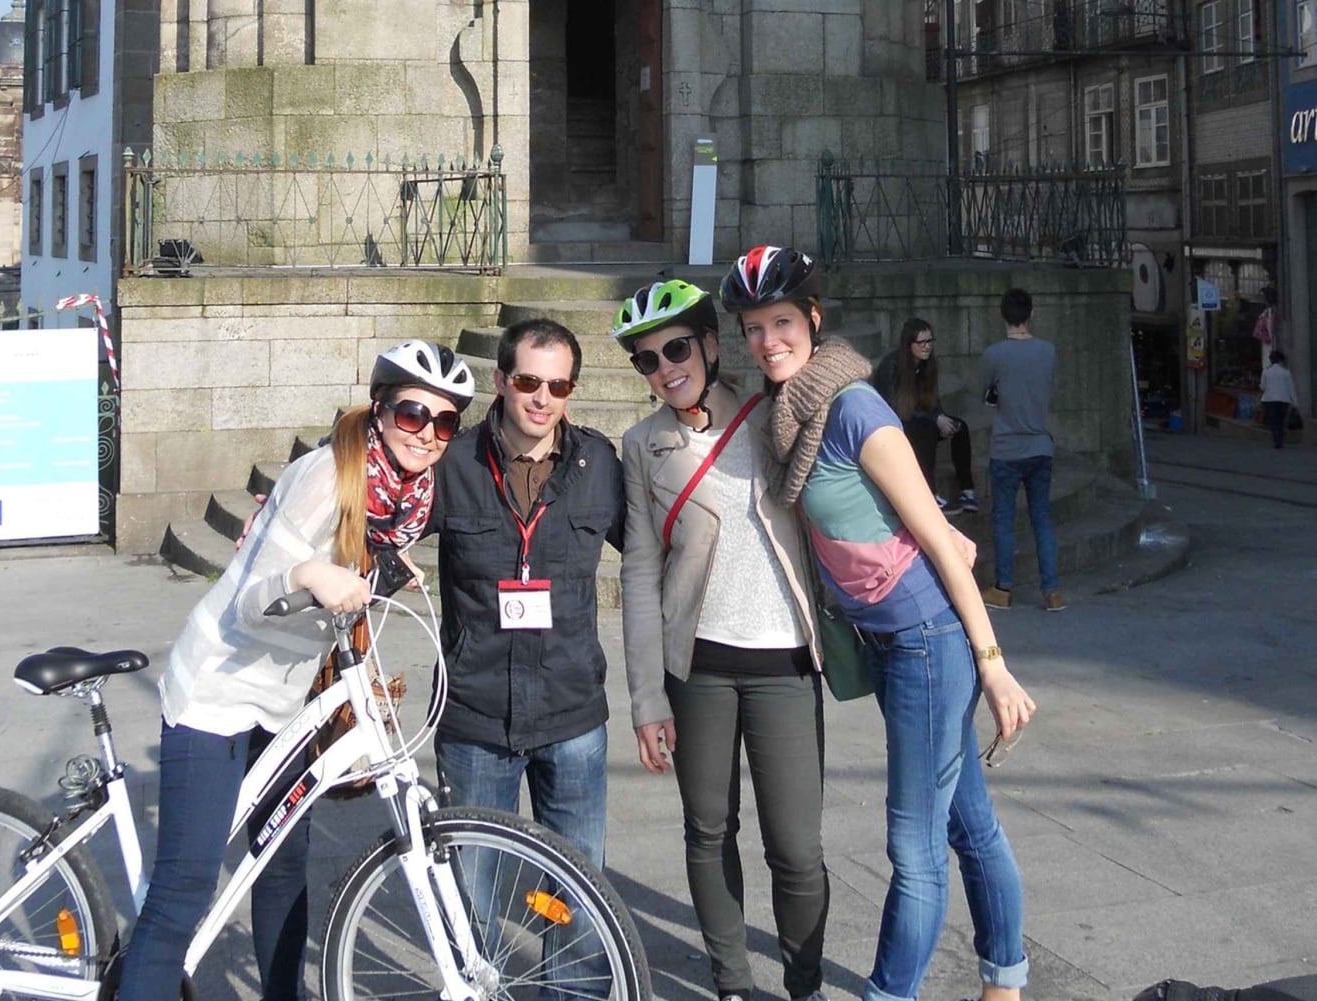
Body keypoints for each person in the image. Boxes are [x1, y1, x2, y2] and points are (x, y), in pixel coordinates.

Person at [721, 245, 1036, 1001]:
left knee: (915, 846)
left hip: (928, 639)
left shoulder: (854, 407)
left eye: (784, 322)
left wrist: (993, 664)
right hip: (888, 643)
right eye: (756, 327)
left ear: (815, 320)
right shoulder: (784, 415)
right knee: (968, 822)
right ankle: (1007, 981)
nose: (769, 340)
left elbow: (940, 537)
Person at [118, 341, 474, 1001]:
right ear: (380, 408)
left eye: (444, 421)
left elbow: (349, 585)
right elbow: (254, 598)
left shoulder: (405, 498)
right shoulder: (325, 476)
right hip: (218, 689)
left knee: (282, 868)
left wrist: (374, 579)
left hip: (283, 700)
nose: (427, 433)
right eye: (412, 413)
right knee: (181, 894)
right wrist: (310, 574)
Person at [614, 280, 830, 1001]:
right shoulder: (643, 445)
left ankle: (805, 984)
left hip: (785, 661)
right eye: (647, 360)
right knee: (708, 830)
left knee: (796, 850)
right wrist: (647, 698)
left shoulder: (771, 411)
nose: (665, 367)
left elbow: (845, 390)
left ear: (710, 343)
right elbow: (640, 573)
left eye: (676, 348)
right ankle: (731, 982)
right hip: (697, 667)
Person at [428, 317, 625, 868]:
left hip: (572, 716)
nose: (542, 399)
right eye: (528, 383)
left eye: (557, 387)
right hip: (477, 718)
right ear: (500, 381)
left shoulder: (598, 465)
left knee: (579, 903)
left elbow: (656, 549)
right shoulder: (453, 463)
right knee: (472, 907)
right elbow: (377, 508)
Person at [979, 287, 1066, 612]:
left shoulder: (994, 354)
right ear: (1030, 315)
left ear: (1003, 315)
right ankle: (1052, 590)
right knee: (1041, 517)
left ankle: (1003, 588)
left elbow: (986, 394)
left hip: (1006, 447)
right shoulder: (1048, 351)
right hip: (1041, 445)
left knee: (1003, 519)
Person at [872, 318, 978, 516]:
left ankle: (967, 491)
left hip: (920, 419)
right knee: (926, 430)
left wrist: (941, 417)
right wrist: (934, 419)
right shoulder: (892, 366)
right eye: (921, 343)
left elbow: (932, 400)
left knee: (959, 427)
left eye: (930, 341)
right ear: (909, 344)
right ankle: (929, 493)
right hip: (896, 424)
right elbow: (893, 406)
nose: (927, 347)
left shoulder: (928, 365)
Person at [1260, 350, 1298, 449]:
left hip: (1269, 399)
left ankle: (1277, 440)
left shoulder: (1266, 371)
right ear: (1281, 360)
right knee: (1281, 420)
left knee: (1273, 421)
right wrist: (1295, 402)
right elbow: (1291, 388)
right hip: (1283, 400)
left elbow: (1262, 387)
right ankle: (1280, 439)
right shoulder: (1286, 372)